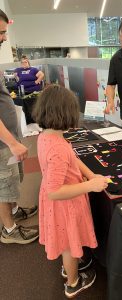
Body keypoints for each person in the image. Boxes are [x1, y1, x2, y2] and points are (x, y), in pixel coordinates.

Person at [33, 84, 108, 298]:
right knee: (68, 244)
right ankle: (73, 282)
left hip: (63, 202)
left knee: (67, 242)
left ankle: (70, 267)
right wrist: (90, 185)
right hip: (65, 204)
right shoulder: (56, 147)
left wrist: (91, 174)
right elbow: (54, 191)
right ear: (66, 113)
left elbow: (73, 158)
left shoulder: (48, 136)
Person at [0, 9, 39, 244]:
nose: (4, 38)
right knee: (5, 185)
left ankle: (14, 213)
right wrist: (12, 142)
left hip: (8, 138)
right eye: (1, 33)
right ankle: (9, 230)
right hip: (3, 142)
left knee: (14, 180)